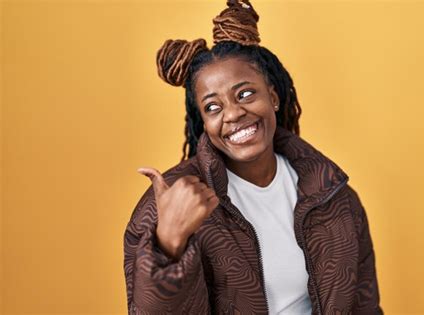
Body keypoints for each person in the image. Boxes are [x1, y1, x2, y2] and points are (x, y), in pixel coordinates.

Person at [123, 0, 383, 314]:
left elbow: (364, 305)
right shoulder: (169, 204)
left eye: (245, 93)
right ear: (202, 122)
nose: (233, 113)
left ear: (273, 96)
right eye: (213, 107)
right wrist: (168, 243)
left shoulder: (332, 193)